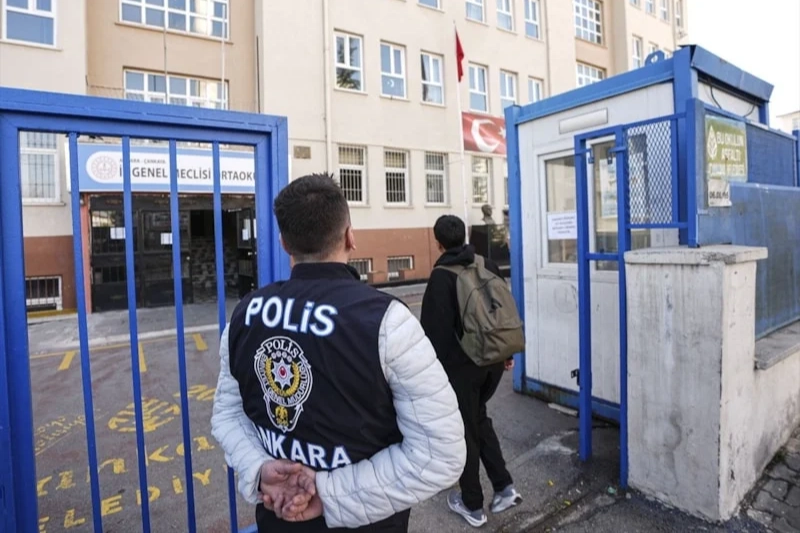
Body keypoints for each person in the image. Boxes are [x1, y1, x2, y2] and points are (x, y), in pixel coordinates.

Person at [211, 174, 467, 532]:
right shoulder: (387, 321)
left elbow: (227, 415)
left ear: (284, 244)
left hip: (278, 518)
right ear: (350, 236)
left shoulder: (245, 313)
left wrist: (261, 469)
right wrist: (325, 494)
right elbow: (439, 455)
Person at [420, 215, 522, 528]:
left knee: (466, 431)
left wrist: (431, 376)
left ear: (438, 243)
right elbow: (501, 311)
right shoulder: (487, 264)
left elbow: (434, 334)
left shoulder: (441, 277)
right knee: (477, 418)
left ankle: (472, 504)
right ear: (463, 237)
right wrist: (505, 353)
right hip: (494, 361)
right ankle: (504, 487)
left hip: (464, 368)